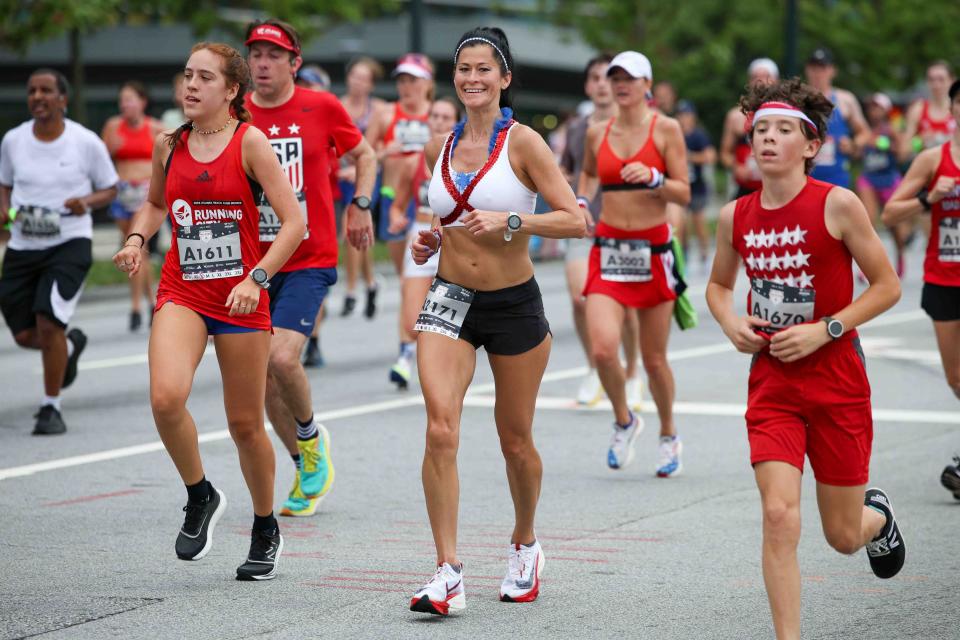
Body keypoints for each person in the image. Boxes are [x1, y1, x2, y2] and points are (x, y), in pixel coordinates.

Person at [706, 79, 905, 640]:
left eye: (783, 130)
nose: (768, 140)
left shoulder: (837, 204)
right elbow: (719, 288)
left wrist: (827, 328)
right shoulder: (734, 216)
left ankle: (879, 519)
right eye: (760, 131)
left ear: (811, 144)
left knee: (842, 536)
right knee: (777, 516)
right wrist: (729, 321)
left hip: (837, 378)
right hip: (773, 384)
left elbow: (886, 286)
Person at [407, 27, 585, 615]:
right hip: (449, 298)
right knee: (439, 428)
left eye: (485, 69)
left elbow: (573, 219)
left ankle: (525, 543)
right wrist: (428, 239)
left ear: (504, 78)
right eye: (464, 69)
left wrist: (513, 223)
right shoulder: (441, 142)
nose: (473, 79)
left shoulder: (525, 142)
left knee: (515, 441)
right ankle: (447, 572)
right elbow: (441, 219)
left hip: (513, 305)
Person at [112, 42, 306, 580]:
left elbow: (294, 224)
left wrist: (257, 277)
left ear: (232, 90)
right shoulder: (167, 145)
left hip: (241, 296)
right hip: (184, 290)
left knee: (245, 424)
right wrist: (135, 240)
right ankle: (200, 494)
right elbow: (154, 203)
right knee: (165, 397)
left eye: (204, 78)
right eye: (187, 76)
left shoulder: (251, 144)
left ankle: (265, 525)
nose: (190, 86)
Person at [244, 19, 376, 517]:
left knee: (282, 360)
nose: (262, 63)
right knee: (261, 384)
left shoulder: (320, 106)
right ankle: (305, 464)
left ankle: (310, 435)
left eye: (273, 55)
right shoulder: (236, 114)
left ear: (294, 62)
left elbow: (365, 153)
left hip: (308, 257)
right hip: (251, 262)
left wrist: (360, 202)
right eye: (255, 54)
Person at [577, 51, 690, 476]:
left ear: (648, 84)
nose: (621, 84)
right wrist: (583, 201)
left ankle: (667, 432)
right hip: (608, 248)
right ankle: (625, 420)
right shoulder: (596, 131)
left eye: (630, 77)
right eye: (615, 77)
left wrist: (658, 180)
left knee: (654, 359)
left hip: (652, 250)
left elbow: (684, 192)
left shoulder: (667, 130)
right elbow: (588, 174)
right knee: (604, 348)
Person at [0, 69, 117, 435]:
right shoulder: (13, 141)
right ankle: (67, 347)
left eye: (46, 91)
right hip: (22, 245)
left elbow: (109, 188)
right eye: (32, 90)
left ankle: (50, 408)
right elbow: (4, 184)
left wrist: (86, 201)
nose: (38, 96)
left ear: (62, 99)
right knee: (23, 335)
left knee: (48, 322)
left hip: (69, 243)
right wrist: (4, 210)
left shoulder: (84, 142)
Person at [560, 54, 643, 409]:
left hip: (628, 227)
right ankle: (595, 368)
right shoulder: (578, 128)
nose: (601, 84)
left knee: (626, 306)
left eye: (607, 78)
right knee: (581, 297)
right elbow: (566, 172)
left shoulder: (636, 125)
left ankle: (633, 374)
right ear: (587, 85)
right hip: (585, 224)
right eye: (594, 77)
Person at [882, 78, 960, 402]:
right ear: (953, 108)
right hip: (943, 277)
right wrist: (929, 198)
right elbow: (890, 213)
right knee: (955, 377)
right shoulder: (931, 159)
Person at [388, 96, 459, 389]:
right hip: (420, 235)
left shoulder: (464, 158)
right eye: (436, 116)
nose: (440, 122)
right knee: (411, 319)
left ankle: (445, 369)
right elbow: (397, 202)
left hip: (453, 236)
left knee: (450, 315)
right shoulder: (414, 162)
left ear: (456, 123)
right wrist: (395, 217)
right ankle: (409, 352)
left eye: (446, 117)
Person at [101, 81, 164, 331]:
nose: (125, 104)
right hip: (122, 191)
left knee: (138, 244)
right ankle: (150, 300)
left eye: (130, 99)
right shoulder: (113, 126)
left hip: (145, 192)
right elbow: (101, 159)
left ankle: (136, 307)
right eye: (122, 100)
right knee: (133, 251)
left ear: (142, 102)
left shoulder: (156, 128)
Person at [366, 53, 434, 276]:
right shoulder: (385, 113)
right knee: (404, 272)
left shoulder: (439, 115)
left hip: (427, 200)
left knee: (428, 266)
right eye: (402, 80)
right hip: (393, 197)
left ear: (427, 82)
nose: (406, 86)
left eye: (413, 80)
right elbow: (365, 155)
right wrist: (385, 152)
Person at [338, 56, 386, 319]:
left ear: (370, 84)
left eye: (362, 78)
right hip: (342, 175)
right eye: (353, 75)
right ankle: (370, 284)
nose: (356, 82)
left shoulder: (376, 110)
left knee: (352, 225)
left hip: (367, 175)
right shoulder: (337, 105)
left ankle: (351, 290)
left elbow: (370, 149)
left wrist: (353, 169)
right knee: (361, 235)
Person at [804, 47, 870, 188]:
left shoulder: (845, 99)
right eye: (813, 68)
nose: (818, 73)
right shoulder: (798, 100)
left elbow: (865, 132)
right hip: (803, 177)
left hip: (836, 177)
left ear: (832, 71)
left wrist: (853, 144)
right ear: (807, 70)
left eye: (822, 68)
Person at [856, 93, 906, 276]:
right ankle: (865, 267)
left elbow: (902, 152)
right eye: (871, 107)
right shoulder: (864, 129)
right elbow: (856, 153)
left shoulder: (891, 129)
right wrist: (855, 146)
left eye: (877, 107)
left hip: (889, 179)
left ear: (885, 110)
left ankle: (900, 252)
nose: (873, 111)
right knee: (867, 222)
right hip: (869, 178)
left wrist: (882, 143)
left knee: (893, 224)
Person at [721, 58, 779, 199]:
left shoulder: (785, 114)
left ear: (776, 81)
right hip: (745, 189)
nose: (760, 82)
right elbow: (724, 153)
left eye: (766, 76)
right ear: (749, 82)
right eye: (755, 77)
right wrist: (736, 168)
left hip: (777, 188)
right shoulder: (736, 116)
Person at [676, 99, 715, 268]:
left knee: (699, 221)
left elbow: (710, 156)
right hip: (680, 185)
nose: (684, 118)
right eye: (681, 115)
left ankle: (705, 255)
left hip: (697, 186)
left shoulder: (698, 135)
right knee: (681, 223)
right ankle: (683, 255)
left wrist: (690, 157)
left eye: (687, 114)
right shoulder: (674, 134)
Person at [900, 61, 956, 160]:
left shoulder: (958, 109)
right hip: (927, 171)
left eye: (941, 79)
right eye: (931, 80)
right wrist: (920, 141)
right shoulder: (918, 109)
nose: (936, 85)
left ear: (952, 81)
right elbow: (903, 152)